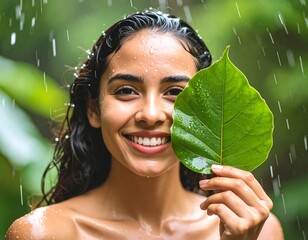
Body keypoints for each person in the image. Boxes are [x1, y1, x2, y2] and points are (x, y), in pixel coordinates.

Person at [6, 9, 284, 239]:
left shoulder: (257, 228)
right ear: (94, 109)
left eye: (175, 92)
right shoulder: (43, 233)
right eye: (126, 90)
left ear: (206, 114)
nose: (151, 115)